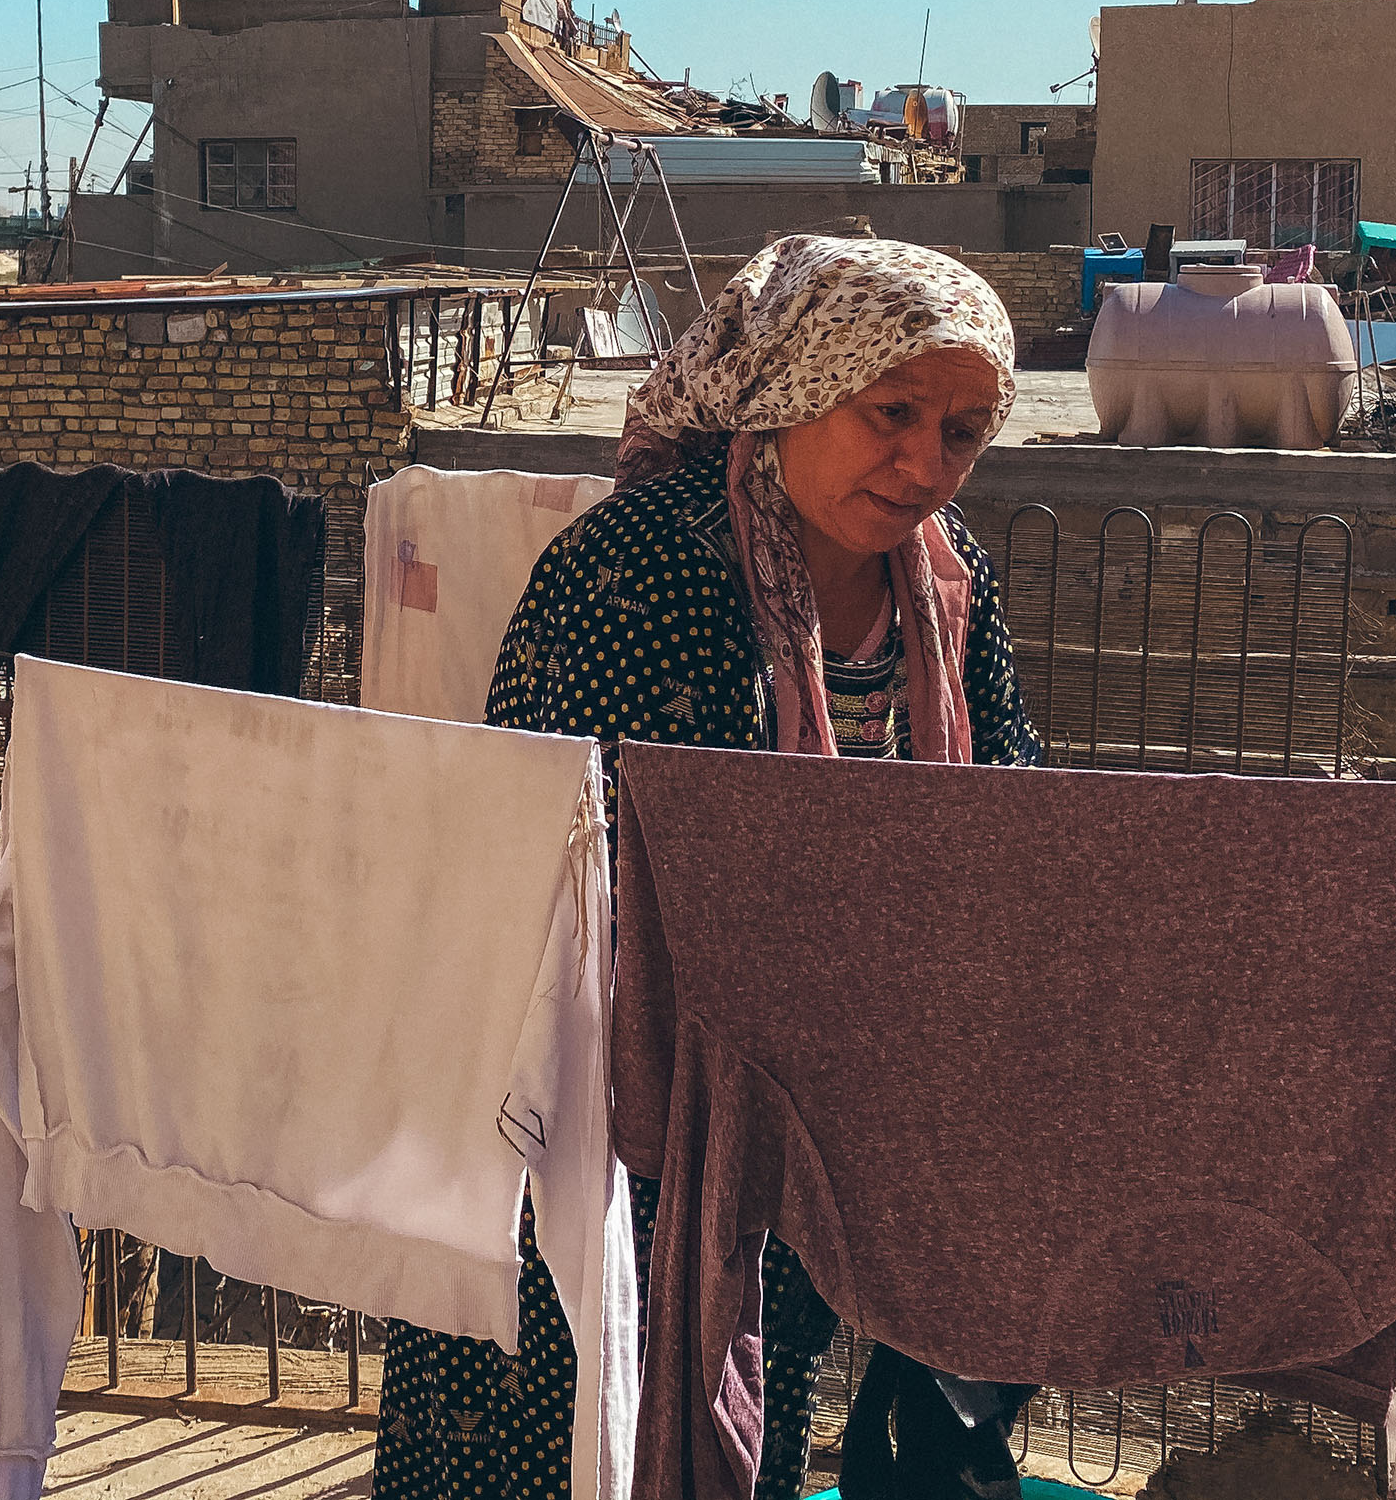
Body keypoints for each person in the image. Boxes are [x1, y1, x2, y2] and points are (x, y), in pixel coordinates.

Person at [372, 236, 1044, 1500]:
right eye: (890, 412)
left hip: (800, 1106)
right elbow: (564, 855)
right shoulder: (643, 569)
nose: (925, 464)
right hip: (592, 1094)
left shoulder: (951, 595)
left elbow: (1005, 819)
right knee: (552, 1413)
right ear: (796, 387)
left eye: (962, 431)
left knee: (750, 1419)